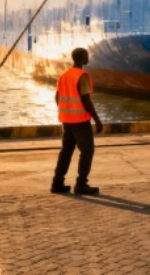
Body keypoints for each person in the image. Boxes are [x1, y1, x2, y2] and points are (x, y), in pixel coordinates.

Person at [51, 48, 103, 196]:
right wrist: (97, 120)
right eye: (86, 55)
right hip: (80, 121)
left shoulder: (64, 75)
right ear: (81, 58)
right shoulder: (82, 76)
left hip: (66, 120)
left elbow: (57, 97)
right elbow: (86, 100)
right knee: (87, 151)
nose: (88, 57)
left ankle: (57, 183)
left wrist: (65, 110)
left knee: (66, 151)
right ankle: (81, 184)